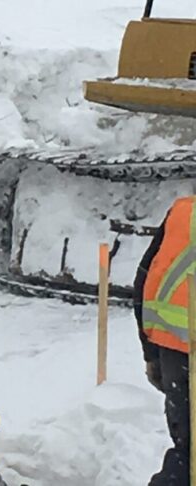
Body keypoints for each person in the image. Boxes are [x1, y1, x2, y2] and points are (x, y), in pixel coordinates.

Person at [134, 195, 194, 486]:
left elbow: (144, 279)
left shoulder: (183, 211)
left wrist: (151, 355)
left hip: (175, 353)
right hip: (176, 352)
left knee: (187, 452)